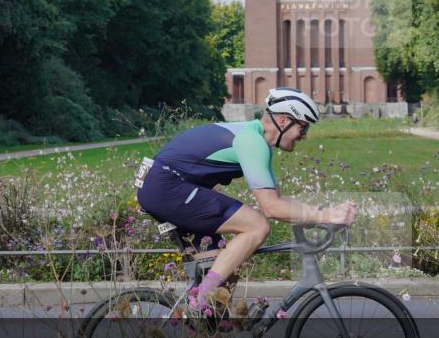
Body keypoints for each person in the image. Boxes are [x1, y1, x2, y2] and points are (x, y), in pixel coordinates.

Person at [135, 87, 358, 310]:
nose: (305, 135)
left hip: (166, 186)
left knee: (227, 272)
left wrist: (323, 212)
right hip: (167, 186)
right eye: (303, 126)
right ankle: (200, 300)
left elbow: (278, 200)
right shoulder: (252, 142)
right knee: (257, 226)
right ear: (283, 120)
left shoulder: (257, 140)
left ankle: (204, 336)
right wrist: (325, 215)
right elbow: (271, 209)